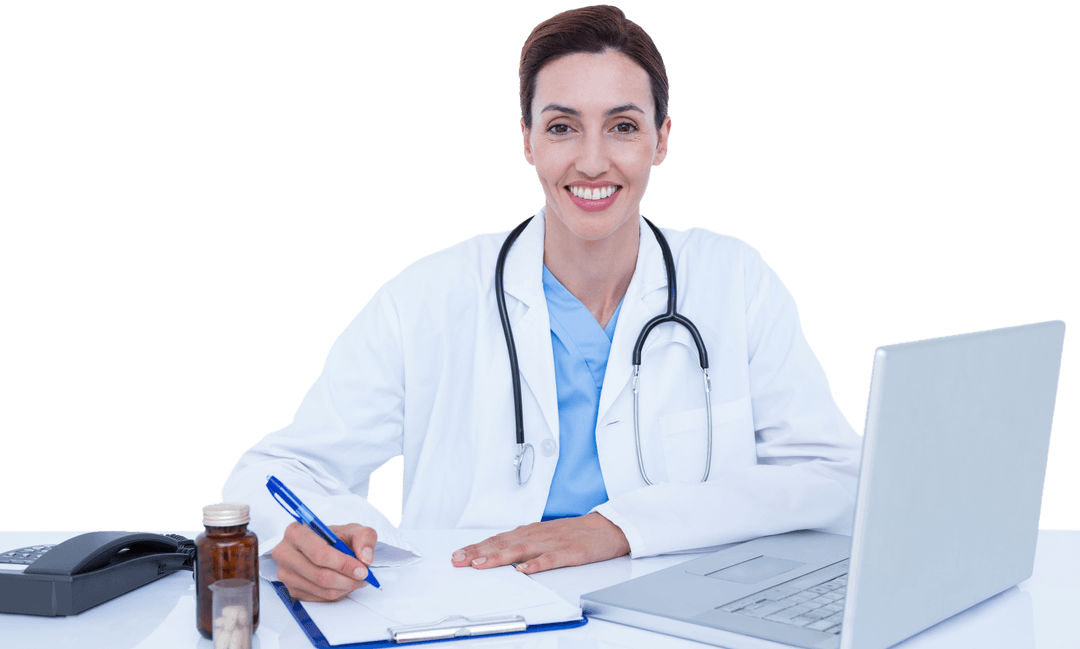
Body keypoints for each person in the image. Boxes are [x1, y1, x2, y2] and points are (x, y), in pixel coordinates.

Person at [222, 5, 861, 603]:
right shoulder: (431, 295)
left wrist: (621, 527)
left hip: (686, 626)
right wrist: (303, 537)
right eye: (561, 127)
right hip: (471, 625)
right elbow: (278, 468)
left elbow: (837, 477)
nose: (591, 160)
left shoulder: (734, 281)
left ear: (661, 140)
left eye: (623, 126)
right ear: (527, 140)